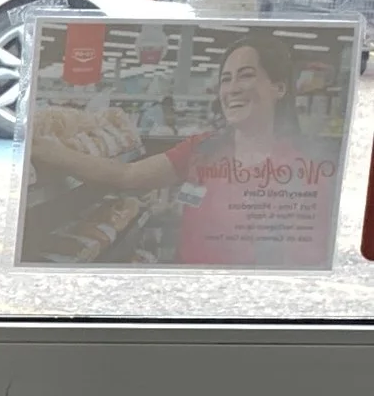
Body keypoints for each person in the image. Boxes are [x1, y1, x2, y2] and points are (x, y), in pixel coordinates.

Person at [30, 31, 331, 268]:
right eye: (226, 79)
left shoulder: (304, 167)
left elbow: (307, 259)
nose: (232, 89)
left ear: (279, 87)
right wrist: (39, 145)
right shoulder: (204, 148)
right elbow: (126, 176)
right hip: (188, 293)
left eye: (247, 75)